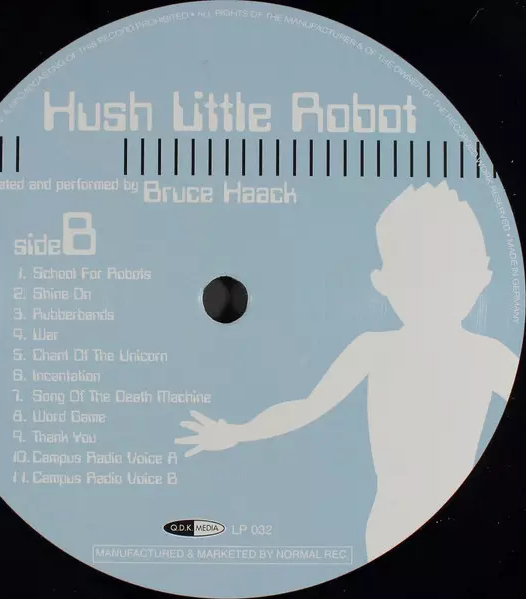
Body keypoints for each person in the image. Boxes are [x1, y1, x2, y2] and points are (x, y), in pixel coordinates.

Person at [175, 181, 519, 559]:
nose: (432, 290)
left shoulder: (489, 356)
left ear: (481, 278)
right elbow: (306, 407)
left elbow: (305, 407)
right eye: (416, 275)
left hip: (465, 522)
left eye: (447, 273)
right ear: (383, 283)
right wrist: (237, 432)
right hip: (393, 525)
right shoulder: (375, 349)